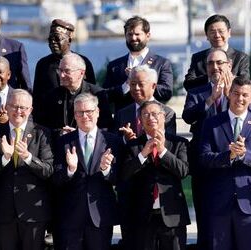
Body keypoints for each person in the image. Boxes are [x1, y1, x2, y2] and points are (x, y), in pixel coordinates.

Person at [0, 89, 53, 250]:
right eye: (14, 106)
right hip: (2, 212)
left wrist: (28, 157)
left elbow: (48, 170)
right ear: (6, 107)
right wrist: (4, 158)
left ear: (30, 110)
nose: (18, 111)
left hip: (33, 213)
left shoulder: (42, 134)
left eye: (23, 108)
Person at [53, 93, 122, 250]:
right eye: (80, 112)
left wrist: (106, 170)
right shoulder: (63, 142)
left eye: (89, 111)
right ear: (75, 115)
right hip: (71, 216)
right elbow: (56, 179)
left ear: (97, 112)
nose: (85, 116)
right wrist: (70, 170)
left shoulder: (112, 141)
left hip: (100, 215)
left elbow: (120, 178)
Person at [119, 100, 190, 250]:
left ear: (164, 117)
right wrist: (143, 154)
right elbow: (124, 174)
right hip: (142, 216)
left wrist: (163, 151)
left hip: (172, 215)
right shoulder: (133, 146)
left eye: (155, 114)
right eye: (146, 114)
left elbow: (183, 171)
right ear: (140, 120)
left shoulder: (179, 143)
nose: (151, 118)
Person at [182, 48, 233, 249]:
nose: (215, 67)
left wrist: (230, 97)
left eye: (220, 63)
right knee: (204, 212)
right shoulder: (196, 92)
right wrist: (211, 99)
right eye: (211, 63)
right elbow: (188, 117)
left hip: (232, 161)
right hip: (204, 162)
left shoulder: (241, 91)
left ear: (229, 65)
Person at [200, 77, 251, 250]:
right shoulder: (212, 123)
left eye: (245, 95)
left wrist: (244, 155)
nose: (240, 99)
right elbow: (205, 158)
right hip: (219, 202)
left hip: (248, 203)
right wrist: (229, 155)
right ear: (229, 94)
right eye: (236, 93)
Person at [35, 53, 112, 144]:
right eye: (60, 70)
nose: (61, 75)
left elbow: (106, 127)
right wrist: (59, 132)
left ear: (81, 73)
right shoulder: (52, 96)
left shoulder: (97, 94)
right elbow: (42, 125)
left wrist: (80, 133)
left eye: (67, 71)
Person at [103, 16, 173, 112]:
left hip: (151, 120)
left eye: (137, 34)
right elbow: (105, 96)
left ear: (147, 36)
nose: (133, 38)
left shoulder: (162, 63)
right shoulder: (114, 66)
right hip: (123, 121)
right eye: (130, 34)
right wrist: (126, 84)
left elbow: (166, 93)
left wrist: (142, 81)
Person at [33, 19, 96, 119]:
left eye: (57, 39)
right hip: (50, 122)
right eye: (50, 39)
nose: (53, 42)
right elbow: (37, 99)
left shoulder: (83, 62)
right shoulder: (43, 64)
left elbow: (92, 93)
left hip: (77, 120)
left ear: (69, 40)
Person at [183, 14, 249, 91]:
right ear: (207, 35)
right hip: (205, 101)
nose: (217, 35)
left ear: (229, 32)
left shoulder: (241, 57)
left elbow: (245, 83)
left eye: (221, 31)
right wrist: (211, 77)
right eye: (212, 32)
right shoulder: (198, 58)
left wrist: (229, 79)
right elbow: (188, 84)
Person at [114, 65, 176, 142]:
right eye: (133, 84)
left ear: (153, 86)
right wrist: (125, 139)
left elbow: (170, 143)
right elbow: (114, 142)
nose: (136, 88)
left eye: (141, 84)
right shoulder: (121, 114)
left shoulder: (167, 113)